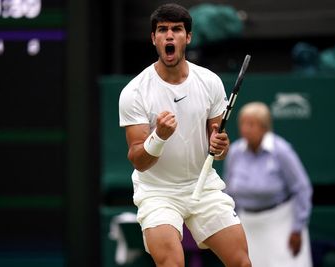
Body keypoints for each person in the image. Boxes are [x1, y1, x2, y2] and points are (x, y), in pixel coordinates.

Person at [118, 3, 251, 267]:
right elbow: (138, 160)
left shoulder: (210, 82)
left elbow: (220, 149)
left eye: (177, 30)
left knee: (242, 263)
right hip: (157, 192)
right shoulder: (134, 92)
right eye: (162, 30)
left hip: (203, 185)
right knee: (171, 263)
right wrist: (159, 137)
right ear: (153, 38)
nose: (169, 35)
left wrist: (221, 145)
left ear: (187, 37)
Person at [224, 101, 313, 267]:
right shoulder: (235, 152)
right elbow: (229, 191)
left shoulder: (282, 150)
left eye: (251, 124)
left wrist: (297, 228)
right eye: (242, 123)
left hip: (281, 224)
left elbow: (301, 188)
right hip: (247, 225)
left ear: (264, 127)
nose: (245, 129)